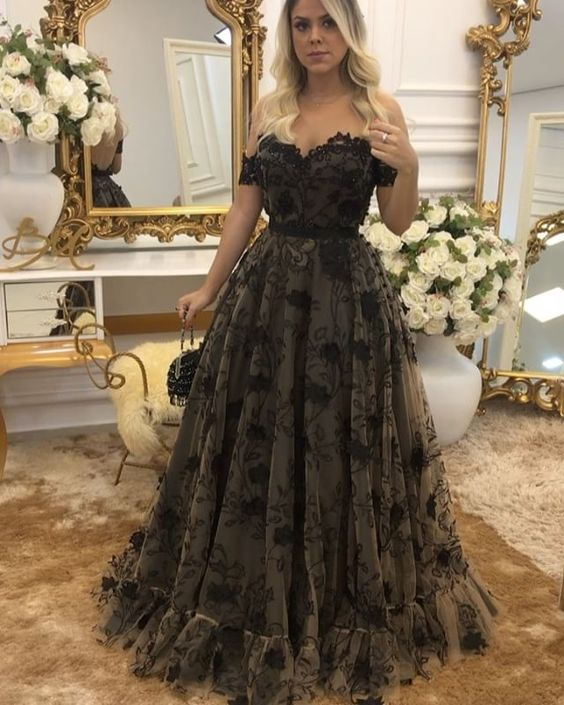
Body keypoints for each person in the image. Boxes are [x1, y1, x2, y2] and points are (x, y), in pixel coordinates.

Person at [94, 1, 497, 703]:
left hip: (347, 300)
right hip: (268, 295)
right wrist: (210, 286)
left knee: (345, 440)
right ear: (290, 34)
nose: (315, 37)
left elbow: (398, 221)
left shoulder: (380, 109)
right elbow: (244, 208)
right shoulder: (269, 107)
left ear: (349, 29)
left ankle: (338, 594)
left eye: (327, 23)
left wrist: (410, 164)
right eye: (303, 24)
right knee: (258, 439)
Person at [91, 111, 131, 207]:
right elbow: (116, 168)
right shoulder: (118, 128)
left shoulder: (89, 125)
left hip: (89, 188)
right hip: (107, 190)